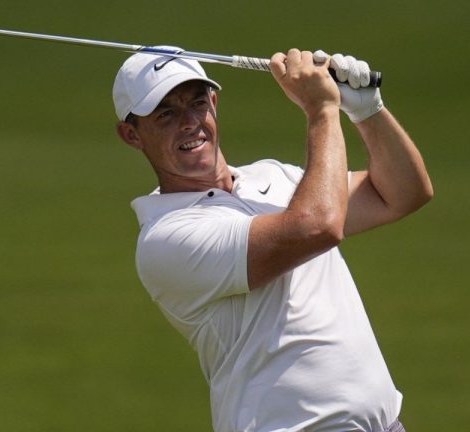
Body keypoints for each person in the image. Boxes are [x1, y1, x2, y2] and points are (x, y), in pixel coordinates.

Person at [112, 46, 433, 432]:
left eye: (197, 103)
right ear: (131, 134)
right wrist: (322, 110)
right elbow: (318, 226)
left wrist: (367, 112)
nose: (189, 122)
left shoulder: (272, 177)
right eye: (166, 114)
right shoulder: (166, 238)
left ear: (214, 102)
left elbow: (402, 194)